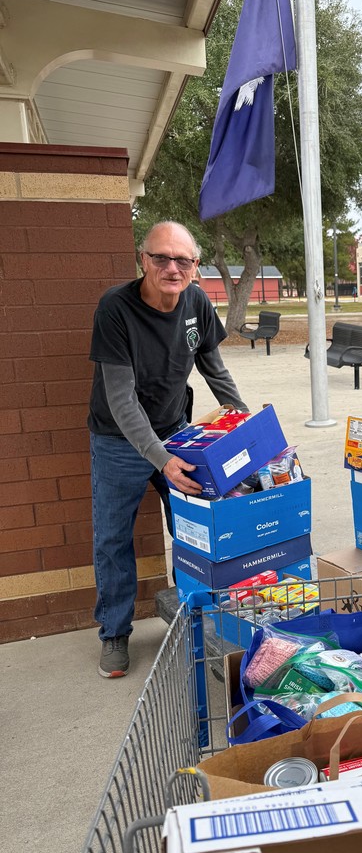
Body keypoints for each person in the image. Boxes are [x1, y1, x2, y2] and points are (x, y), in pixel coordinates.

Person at [88, 221, 248, 679]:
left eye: (183, 260)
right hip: (119, 441)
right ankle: (115, 633)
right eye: (161, 258)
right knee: (113, 539)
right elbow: (120, 398)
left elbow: (213, 368)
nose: (171, 268)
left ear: (196, 267)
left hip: (176, 429)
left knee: (193, 531)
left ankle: (196, 616)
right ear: (143, 259)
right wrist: (162, 460)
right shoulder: (115, 309)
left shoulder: (196, 302)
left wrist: (242, 422)